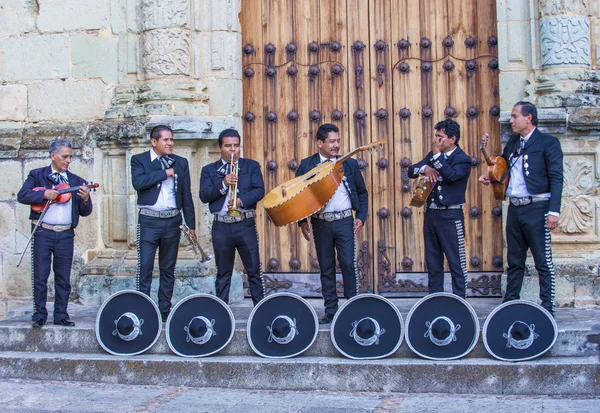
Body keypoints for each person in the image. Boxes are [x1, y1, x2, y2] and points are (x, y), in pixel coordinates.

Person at [479, 101, 563, 315]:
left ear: (529, 118)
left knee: (542, 260)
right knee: (514, 260)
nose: (511, 120)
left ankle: (547, 306)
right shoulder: (513, 143)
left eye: (516, 116)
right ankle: (510, 303)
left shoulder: (548, 143)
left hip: (538, 208)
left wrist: (554, 211)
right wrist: (491, 177)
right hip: (515, 209)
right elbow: (504, 168)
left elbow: (556, 178)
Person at [296, 123, 368, 324]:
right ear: (320, 143)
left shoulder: (349, 164)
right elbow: (298, 195)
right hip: (321, 223)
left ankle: (352, 307)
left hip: (344, 221)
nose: (336, 145)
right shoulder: (307, 164)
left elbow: (362, 192)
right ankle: (331, 310)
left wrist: (361, 217)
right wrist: (302, 222)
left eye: (338, 141)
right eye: (332, 141)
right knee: (326, 267)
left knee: (347, 263)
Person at [17, 140, 93, 328]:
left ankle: (61, 315)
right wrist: (44, 195)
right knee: (40, 275)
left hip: (66, 233)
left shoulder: (76, 181)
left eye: (70, 156)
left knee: (63, 277)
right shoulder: (37, 175)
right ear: (53, 155)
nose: (68, 160)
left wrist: (85, 198)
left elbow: (85, 211)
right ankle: (39, 315)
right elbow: (23, 195)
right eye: (64, 156)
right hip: (43, 231)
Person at [131, 125, 195, 322]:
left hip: (172, 221)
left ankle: (164, 309)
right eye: (166, 140)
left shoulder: (181, 162)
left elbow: (186, 194)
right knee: (145, 266)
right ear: (154, 142)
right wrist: (165, 173)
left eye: (171, 139)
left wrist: (191, 224)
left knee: (168, 267)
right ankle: (143, 308)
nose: (170, 143)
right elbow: (138, 183)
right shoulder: (139, 160)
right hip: (149, 220)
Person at [199, 128, 265, 305]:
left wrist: (241, 201)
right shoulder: (209, 170)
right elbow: (204, 195)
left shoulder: (251, 166)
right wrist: (223, 184)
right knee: (223, 273)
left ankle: (261, 311)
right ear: (220, 148)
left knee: (254, 271)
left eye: (236, 145)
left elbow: (259, 191)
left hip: (245, 225)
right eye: (228, 146)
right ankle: (222, 314)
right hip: (221, 227)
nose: (233, 150)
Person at [408, 119, 472, 298]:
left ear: (452, 139)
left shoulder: (463, 159)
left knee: (456, 261)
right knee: (433, 261)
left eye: (441, 137)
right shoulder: (433, 155)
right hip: (431, 214)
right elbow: (411, 170)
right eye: (436, 136)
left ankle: (460, 301)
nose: (437, 140)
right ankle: (435, 299)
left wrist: (435, 158)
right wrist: (426, 167)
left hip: (451, 215)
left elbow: (451, 176)